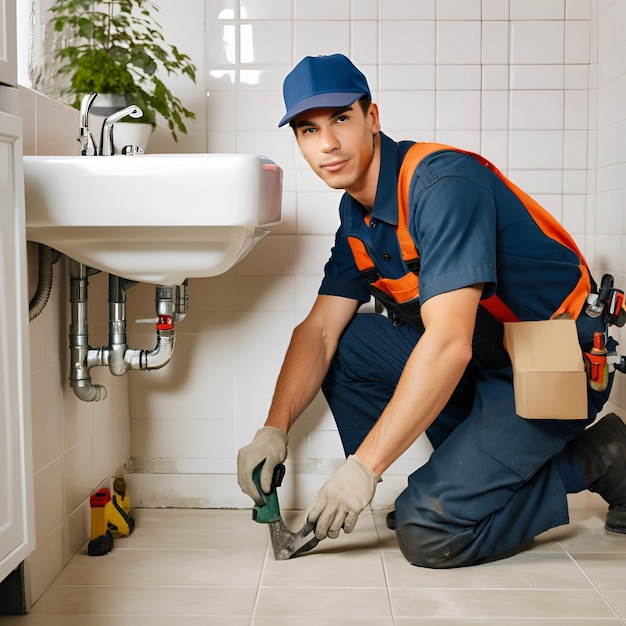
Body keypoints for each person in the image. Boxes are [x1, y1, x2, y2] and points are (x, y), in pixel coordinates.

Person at [237, 53, 626, 568]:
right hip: (485, 358)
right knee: (350, 346)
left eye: (341, 120)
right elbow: (321, 331)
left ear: (372, 118)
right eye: (308, 130)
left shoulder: (441, 187)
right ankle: (460, 486)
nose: (326, 143)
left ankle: (598, 458)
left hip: (550, 364)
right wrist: (275, 427)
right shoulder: (358, 214)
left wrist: (364, 469)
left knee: (427, 530)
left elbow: (447, 343)